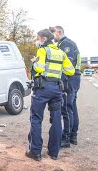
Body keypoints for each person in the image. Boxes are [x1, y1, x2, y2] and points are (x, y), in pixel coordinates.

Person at [26, 29, 75, 161]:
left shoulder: (42, 50)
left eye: (37, 38)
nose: (37, 41)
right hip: (57, 89)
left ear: (43, 39)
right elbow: (70, 71)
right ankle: (54, 152)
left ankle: (35, 152)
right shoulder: (61, 52)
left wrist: (34, 62)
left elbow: (40, 68)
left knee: (36, 119)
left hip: (42, 89)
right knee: (56, 120)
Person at [49, 26, 81, 147]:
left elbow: (67, 66)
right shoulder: (65, 43)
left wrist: (59, 81)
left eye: (54, 33)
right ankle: (73, 135)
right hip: (74, 79)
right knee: (72, 107)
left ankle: (66, 138)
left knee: (66, 108)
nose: (53, 36)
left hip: (69, 79)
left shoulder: (66, 44)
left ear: (60, 32)